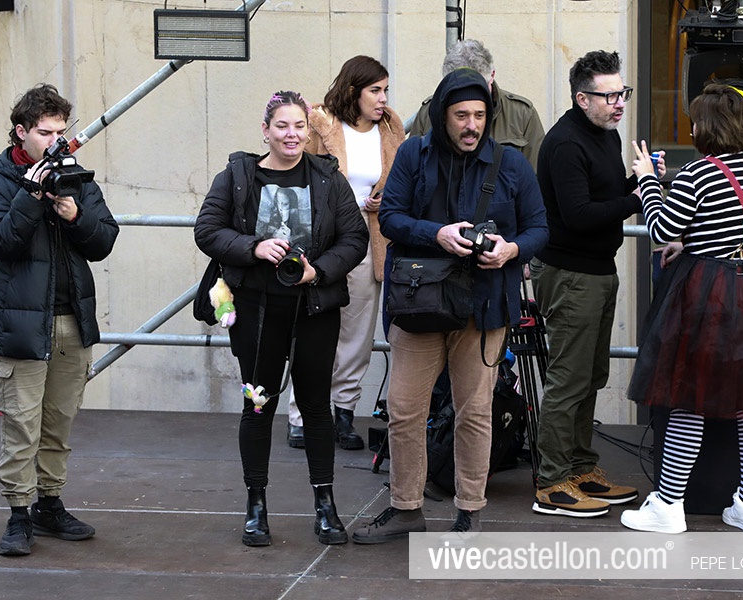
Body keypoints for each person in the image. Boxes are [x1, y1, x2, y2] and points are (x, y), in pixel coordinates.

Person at [352, 68, 548, 543]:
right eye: (461, 115)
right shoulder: (414, 154)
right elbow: (390, 218)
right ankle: (406, 508)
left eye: (479, 115)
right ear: (443, 116)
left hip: (483, 306)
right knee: (405, 410)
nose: (471, 125)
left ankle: (470, 512)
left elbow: (540, 228)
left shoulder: (510, 163)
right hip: (419, 303)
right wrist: (436, 234)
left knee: (474, 412)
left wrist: (511, 250)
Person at [621, 84, 743, 533]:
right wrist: (691, 241)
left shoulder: (696, 174)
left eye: (696, 121)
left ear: (707, 127)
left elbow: (662, 229)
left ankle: (668, 506)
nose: (692, 128)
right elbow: (735, 227)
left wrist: (647, 179)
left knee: (689, 401)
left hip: (706, 297)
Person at [194, 91, 368, 547]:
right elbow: (207, 230)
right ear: (266, 130)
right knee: (258, 405)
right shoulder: (237, 176)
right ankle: (256, 505)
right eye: (282, 126)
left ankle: (325, 504)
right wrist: (253, 247)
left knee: (316, 407)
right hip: (256, 309)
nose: (292, 135)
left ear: (309, 131)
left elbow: (355, 238)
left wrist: (318, 270)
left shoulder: (328, 178)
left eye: (299, 126)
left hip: (314, 308)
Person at [0, 84, 119, 556]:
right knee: (21, 425)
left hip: (71, 321)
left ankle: (50, 505)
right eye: (44, 132)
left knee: (58, 422)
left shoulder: (75, 177)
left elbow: (104, 241)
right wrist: (32, 196)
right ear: (21, 132)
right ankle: (19, 514)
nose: (55, 141)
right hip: (22, 326)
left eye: (60, 132)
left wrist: (75, 215)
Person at [530, 50, 654, 518]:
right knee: (568, 380)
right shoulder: (566, 143)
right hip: (570, 274)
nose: (619, 103)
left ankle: (580, 468)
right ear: (582, 99)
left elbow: (606, 196)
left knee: (591, 377)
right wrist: (638, 196)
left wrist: (639, 181)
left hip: (598, 270)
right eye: (609, 96)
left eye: (623, 93)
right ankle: (552, 483)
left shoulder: (605, 134)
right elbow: (580, 215)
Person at [286, 55, 405, 451]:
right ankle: (301, 415)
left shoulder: (391, 129)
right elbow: (296, 176)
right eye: (375, 90)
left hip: (370, 240)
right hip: (323, 243)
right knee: (314, 330)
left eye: (386, 90)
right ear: (354, 91)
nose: (383, 98)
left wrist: (386, 199)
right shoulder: (320, 124)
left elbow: (400, 182)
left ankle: (344, 413)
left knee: (357, 334)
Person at [410, 39, 545, 170]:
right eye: (457, 90)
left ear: (492, 75)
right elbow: (412, 169)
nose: (469, 98)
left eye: (478, 88)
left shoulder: (522, 114)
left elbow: (535, 174)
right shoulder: (427, 113)